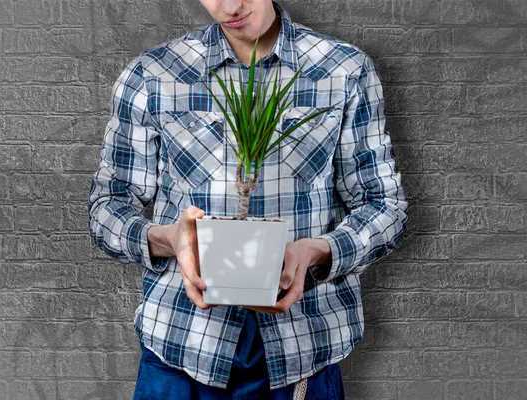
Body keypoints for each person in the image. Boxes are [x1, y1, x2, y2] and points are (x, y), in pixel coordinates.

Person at [87, 0, 408, 398]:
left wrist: (317, 251)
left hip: (302, 348)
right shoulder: (152, 75)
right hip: (181, 346)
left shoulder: (344, 71)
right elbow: (108, 207)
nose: (230, 6)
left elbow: (385, 205)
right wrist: (168, 239)